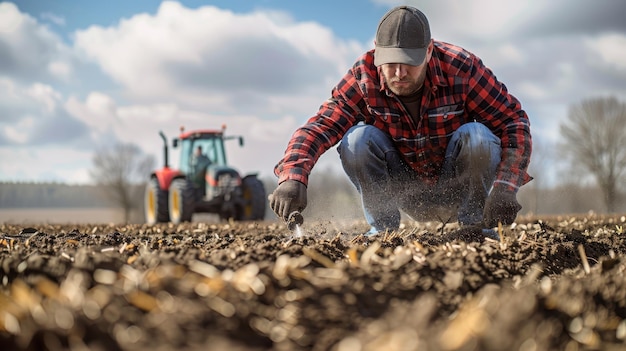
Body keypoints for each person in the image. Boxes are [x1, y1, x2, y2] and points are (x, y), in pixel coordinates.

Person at [269, 5, 532, 238]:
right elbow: (321, 125)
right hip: (405, 189)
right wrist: (293, 177)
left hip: (458, 184)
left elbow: (512, 121)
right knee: (357, 140)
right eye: (390, 62)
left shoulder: (461, 68)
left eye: (409, 63)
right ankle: (382, 230)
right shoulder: (364, 76)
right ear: (377, 51)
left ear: (429, 51)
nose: (398, 73)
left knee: (478, 136)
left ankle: (476, 228)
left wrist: (506, 187)